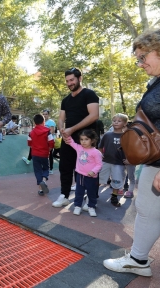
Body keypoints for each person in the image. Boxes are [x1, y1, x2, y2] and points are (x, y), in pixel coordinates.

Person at [103, 28, 160, 277]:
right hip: (158, 161)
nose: (139, 64)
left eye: (142, 57)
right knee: (146, 210)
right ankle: (138, 260)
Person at [53, 68, 100, 208]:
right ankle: (64, 195)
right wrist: (62, 129)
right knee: (65, 166)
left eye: (72, 80)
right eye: (67, 81)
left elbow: (94, 115)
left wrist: (72, 129)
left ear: (80, 78)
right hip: (68, 138)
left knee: (88, 167)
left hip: (86, 138)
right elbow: (61, 118)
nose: (69, 83)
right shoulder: (66, 100)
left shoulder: (89, 94)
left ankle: (89, 198)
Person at [63, 129, 102, 217]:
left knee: (91, 193)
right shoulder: (79, 147)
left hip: (91, 177)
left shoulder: (96, 152)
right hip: (80, 175)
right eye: (81, 139)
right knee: (79, 192)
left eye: (86, 139)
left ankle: (91, 207)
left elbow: (99, 164)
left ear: (92, 140)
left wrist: (93, 171)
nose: (83, 142)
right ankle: (77, 206)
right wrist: (66, 134)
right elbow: (71, 142)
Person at [98, 113, 129, 207]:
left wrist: (128, 159)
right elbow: (100, 147)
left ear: (124, 123)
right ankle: (92, 193)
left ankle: (114, 197)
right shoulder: (107, 135)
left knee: (117, 181)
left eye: (119, 121)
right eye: (114, 121)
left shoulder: (126, 136)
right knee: (99, 178)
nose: (116, 122)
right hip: (106, 161)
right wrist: (100, 155)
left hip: (119, 163)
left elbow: (130, 149)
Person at [28, 114, 55, 196]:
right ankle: (44, 179)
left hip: (35, 154)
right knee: (46, 168)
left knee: (37, 170)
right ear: (43, 122)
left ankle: (40, 189)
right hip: (44, 154)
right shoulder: (47, 131)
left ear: (34, 122)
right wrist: (49, 149)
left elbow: (30, 143)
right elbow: (51, 142)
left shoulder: (31, 132)